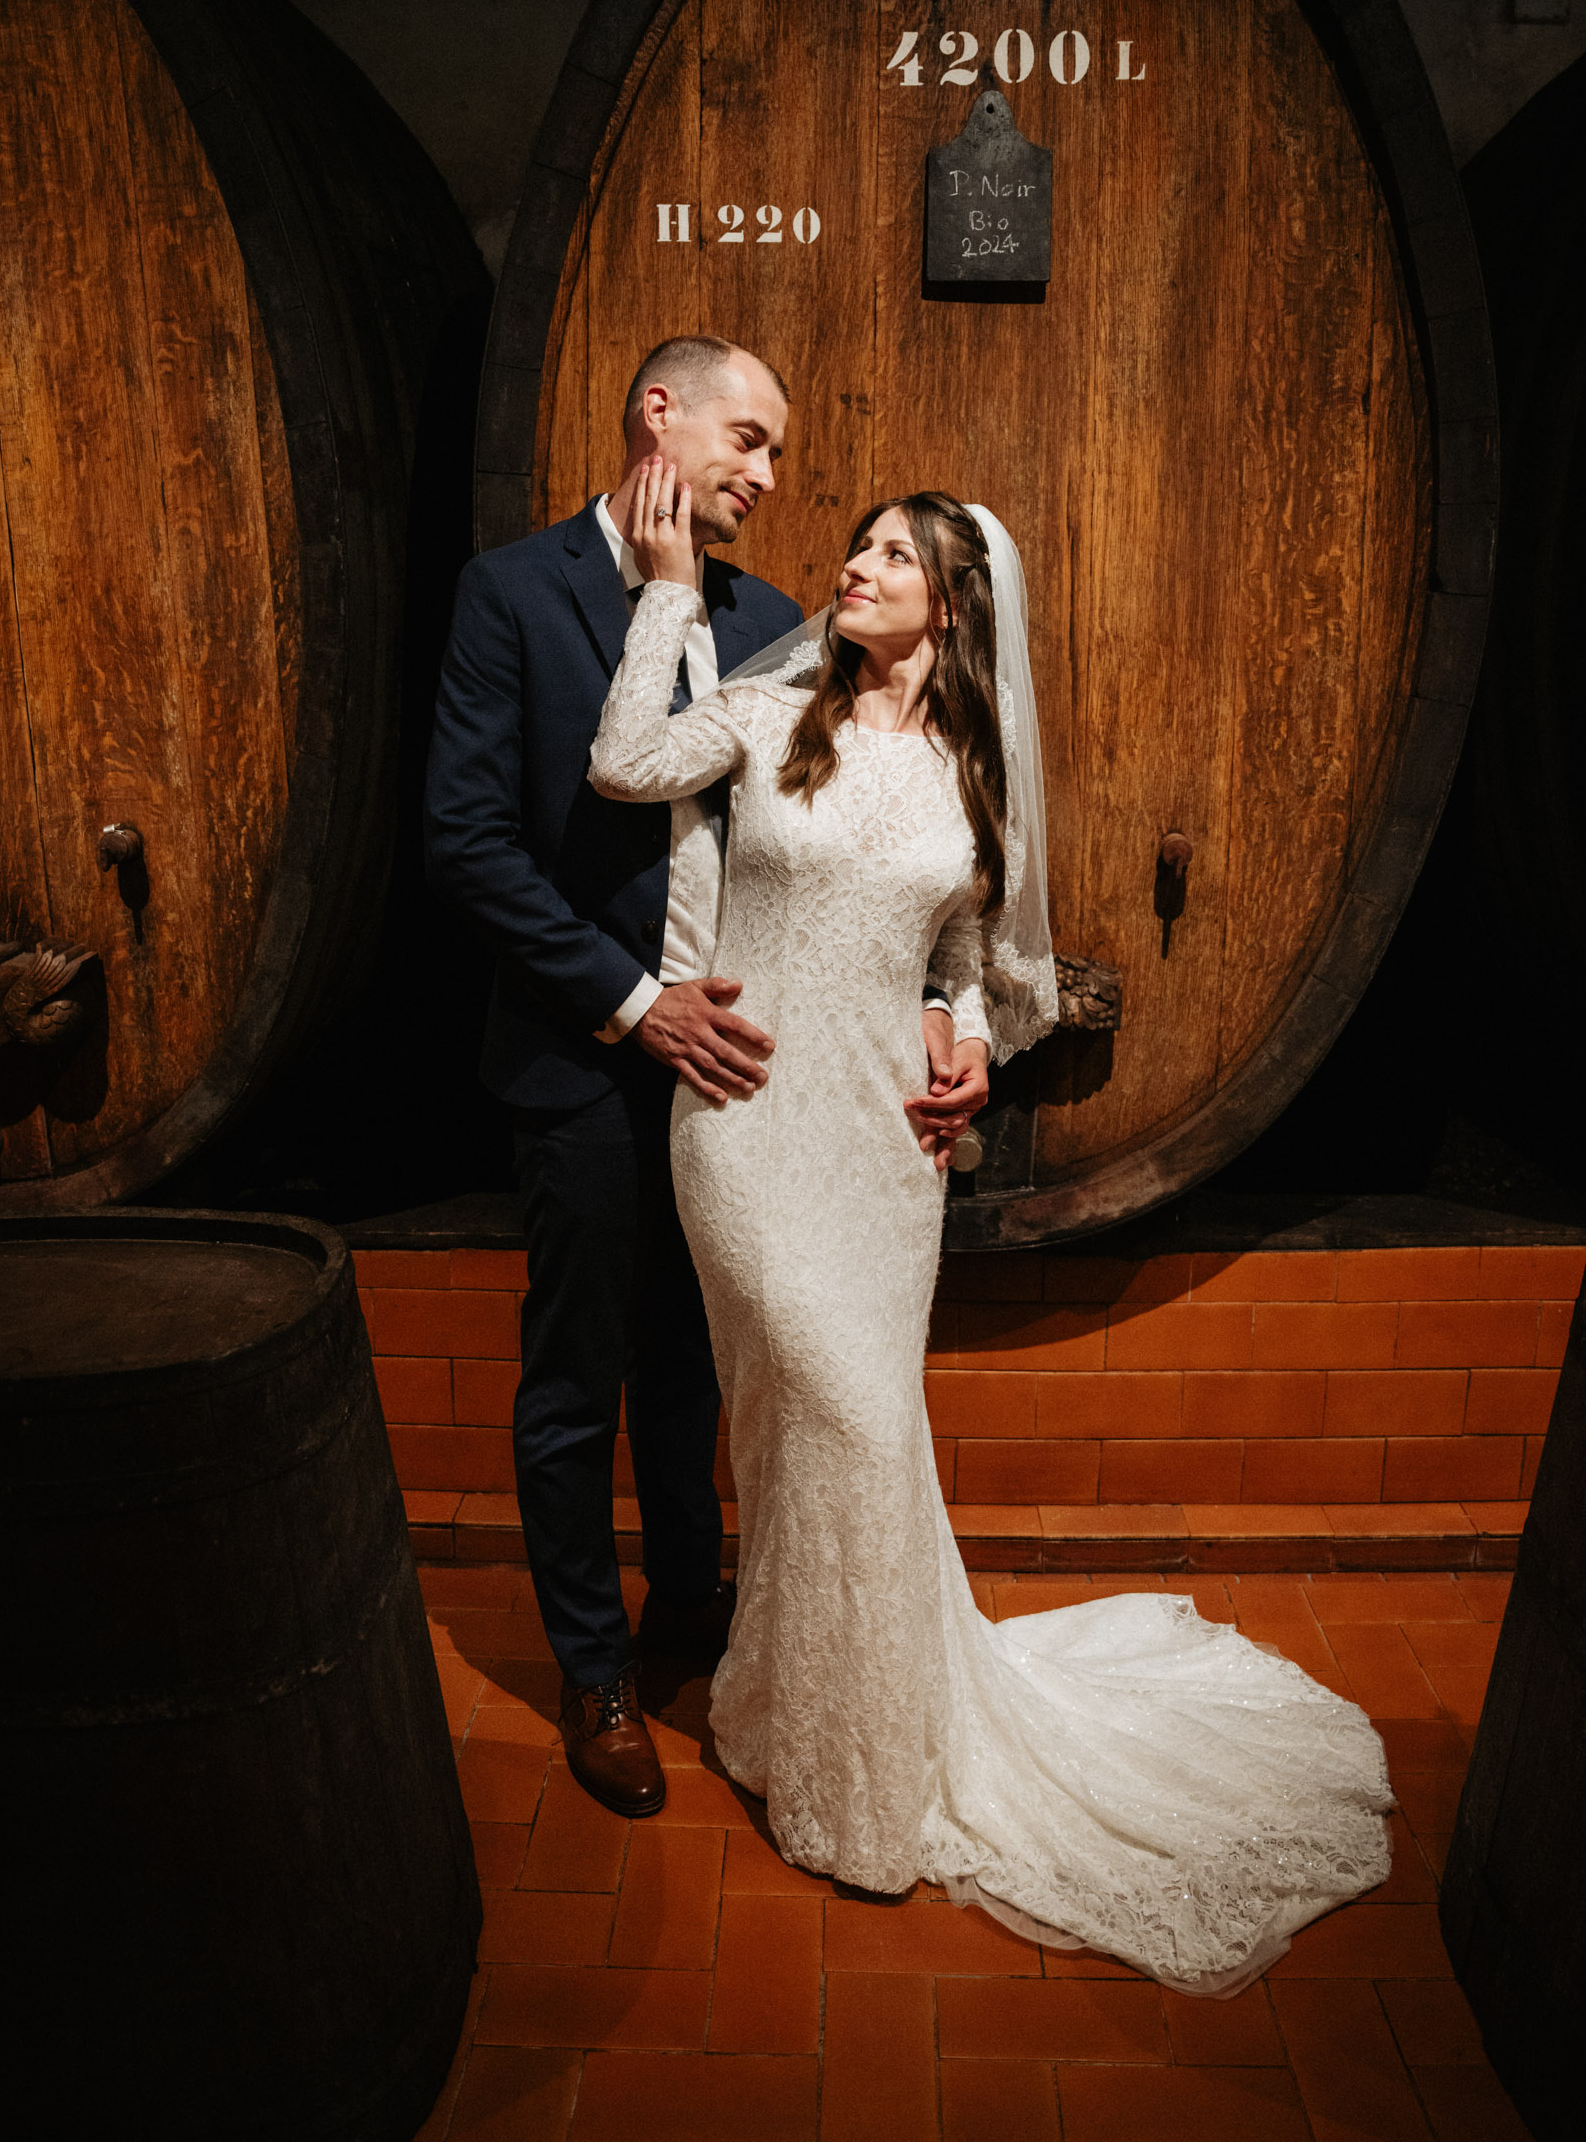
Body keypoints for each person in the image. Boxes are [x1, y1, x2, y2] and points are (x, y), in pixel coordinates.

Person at [588, 467, 1395, 1995]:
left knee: (847, 1429)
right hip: (747, 1124)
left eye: (893, 556)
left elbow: (961, 949)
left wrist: (962, 1036)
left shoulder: (973, 770)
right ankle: (837, 1758)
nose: (856, 566)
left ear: (952, 607)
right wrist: (672, 593)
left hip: (890, 1145)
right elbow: (624, 762)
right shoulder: (769, 716)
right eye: (859, 547)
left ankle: (805, 1720)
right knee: (825, 1416)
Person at [423, 336, 807, 1818]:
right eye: (749, 438)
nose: (766, 476)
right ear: (661, 413)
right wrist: (634, 1005)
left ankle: (689, 1607)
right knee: (581, 1374)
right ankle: (594, 1670)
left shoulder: (770, 618)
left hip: (731, 1069)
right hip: (582, 1057)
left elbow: (805, 842)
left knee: (694, 1361)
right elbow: (469, 843)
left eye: (775, 455)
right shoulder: (514, 592)